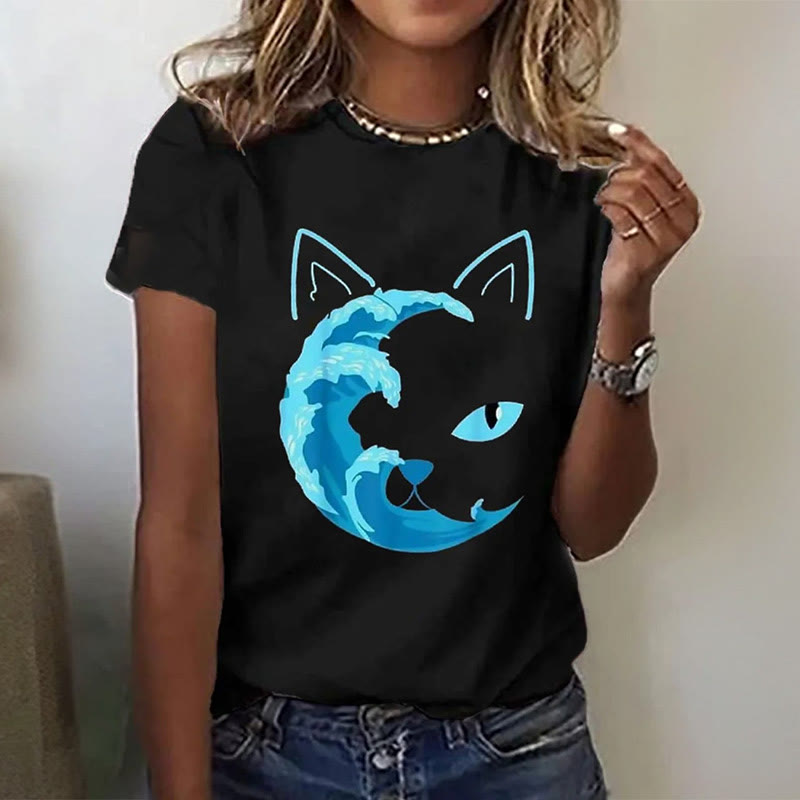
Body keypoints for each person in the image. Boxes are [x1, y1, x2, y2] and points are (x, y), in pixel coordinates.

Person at [105, 0, 700, 797]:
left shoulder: (582, 181)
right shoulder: (214, 154)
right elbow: (179, 528)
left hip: (515, 754)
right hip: (263, 753)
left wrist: (627, 301)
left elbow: (593, 526)